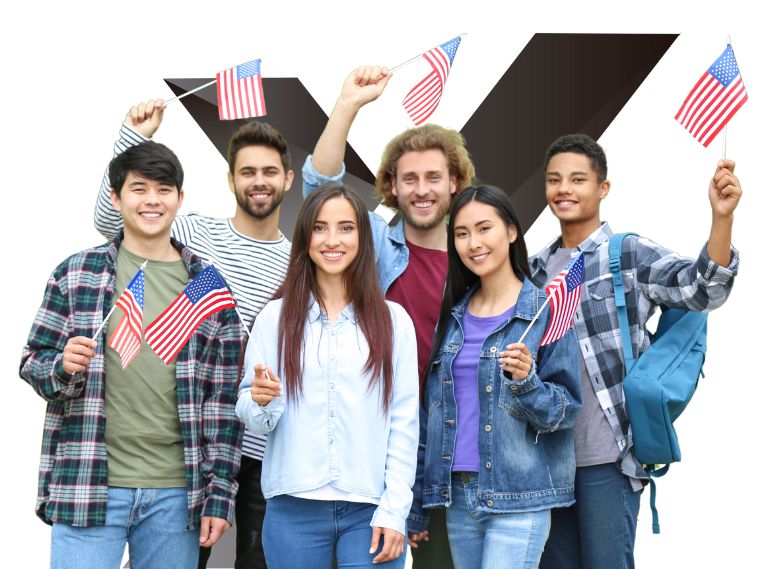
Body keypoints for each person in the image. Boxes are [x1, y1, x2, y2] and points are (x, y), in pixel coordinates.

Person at [20, 142, 243, 569]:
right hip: (89, 479)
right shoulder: (77, 273)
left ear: (179, 197)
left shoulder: (207, 285)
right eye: (139, 189)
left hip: (177, 492)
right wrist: (62, 366)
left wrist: (219, 494)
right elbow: (33, 362)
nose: (152, 200)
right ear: (116, 197)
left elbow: (222, 403)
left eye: (164, 189)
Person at [93, 100, 294, 568]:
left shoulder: (299, 260)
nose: (259, 181)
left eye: (269, 171)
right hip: (196, 440)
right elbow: (112, 220)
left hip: (265, 445)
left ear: (287, 179)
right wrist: (133, 137)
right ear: (231, 179)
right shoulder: (193, 232)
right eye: (247, 172)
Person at [532, 134, 742, 569]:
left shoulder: (624, 253)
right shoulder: (534, 270)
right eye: (554, 180)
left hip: (607, 458)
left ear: (603, 188)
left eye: (577, 179)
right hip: (547, 462)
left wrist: (721, 218)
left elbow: (703, 290)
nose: (564, 189)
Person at [303, 67, 476, 568]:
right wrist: (347, 105)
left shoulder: (476, 254)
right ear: (392, 187)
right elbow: (320, 185)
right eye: (409, 179)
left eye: (434, 178)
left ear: (455, 183)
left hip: (454, 433)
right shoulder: (376, 243)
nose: (422, 190)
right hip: (380, 430)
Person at [236, 184, 419, 569]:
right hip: (292, 508)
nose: (332, 240)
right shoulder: (273, 319)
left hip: (371, 509)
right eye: (320, 228)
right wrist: (261, 401)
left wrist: (395, 510)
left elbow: (404, 423)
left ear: (363, 238)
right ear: (305, 238)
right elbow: (252, 415)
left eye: (346, 228)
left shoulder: (394, 322)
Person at [406, 185, 582, 569]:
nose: (474, 243)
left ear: (512, 231)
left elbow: (566, 409)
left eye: (484, 228)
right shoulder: (452, 317)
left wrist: (527, 382)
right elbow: (430, 415)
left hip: (519, 496)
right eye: (462, 233)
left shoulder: (543, 312)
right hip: (457, 496)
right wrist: (418, 503)